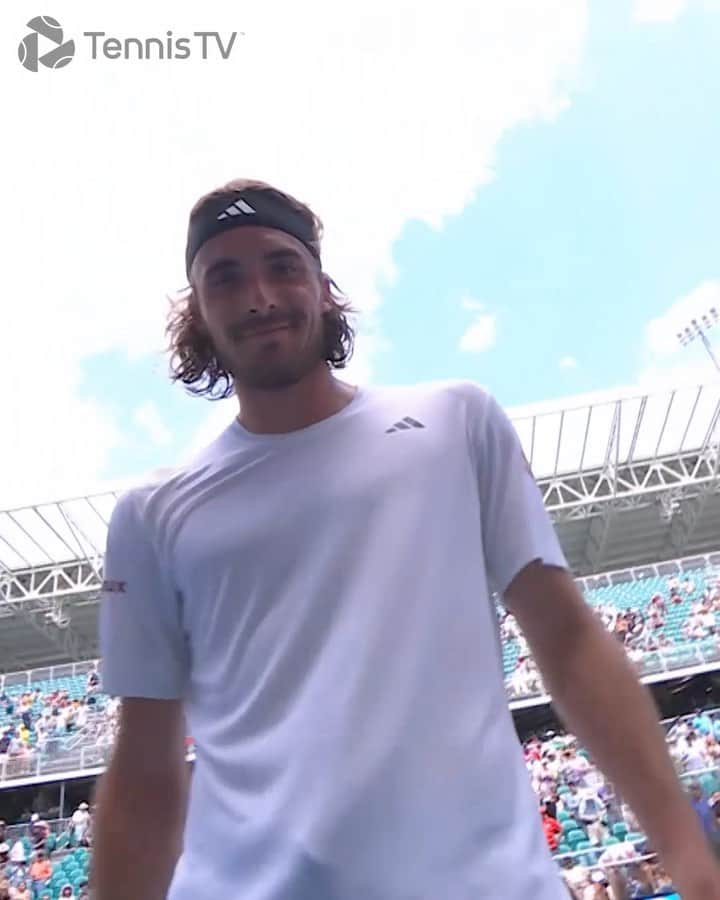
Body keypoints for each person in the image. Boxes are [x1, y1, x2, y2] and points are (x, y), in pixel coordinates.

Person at [93, 178, 720, 900]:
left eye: (281, 266)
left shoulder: (455, 422)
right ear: (198, 312)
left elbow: (568, 641)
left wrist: (682, 842)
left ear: (323, 289)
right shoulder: (151, 515)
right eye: (225, 277)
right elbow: (144, 771)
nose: (260, 295)